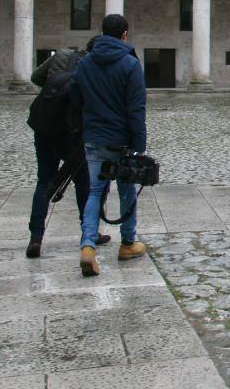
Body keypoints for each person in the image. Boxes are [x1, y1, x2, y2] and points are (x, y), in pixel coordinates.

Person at [71, 14, 147, 277]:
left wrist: (87, 125)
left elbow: (76, 97)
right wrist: (139, 144)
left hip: (94, 138)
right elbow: (136, 108)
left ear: (102, 33)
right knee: (126, 191)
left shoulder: (85, 63)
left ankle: (88, 246)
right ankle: (128, 243)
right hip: (122, 140)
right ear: (124, 34)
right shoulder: (130, 63)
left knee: (94, 192)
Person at [25, 39, 109, 258]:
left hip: (44, 126)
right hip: (71, 133)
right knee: (83, 183)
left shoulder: (61, 54)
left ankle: (36, 237)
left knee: (44, 180)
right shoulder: (92, 67)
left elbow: (36, 77)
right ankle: (89, 233)